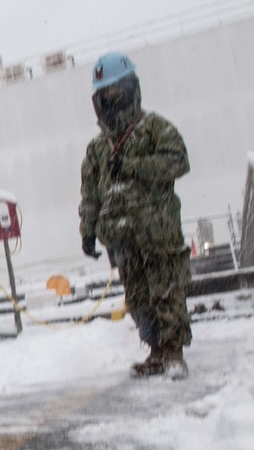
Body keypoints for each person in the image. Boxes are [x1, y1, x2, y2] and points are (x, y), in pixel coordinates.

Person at [78, 52, 192, 379]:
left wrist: (132, 166)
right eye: (105, 96)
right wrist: (88, 230)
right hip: (123, 240)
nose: (112, 102)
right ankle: (156, 351)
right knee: (139, 299)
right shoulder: (97, 149)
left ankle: (173, 354)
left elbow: (178, 162)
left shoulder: (155, 128)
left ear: (131, 90)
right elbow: (91, 194)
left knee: (167, 292)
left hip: (158, 234)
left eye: (117, 93)